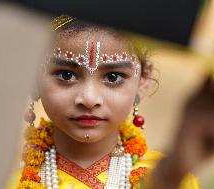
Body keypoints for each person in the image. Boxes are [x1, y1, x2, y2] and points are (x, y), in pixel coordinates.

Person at [12, 15, 200, 189]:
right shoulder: (6, 179)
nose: (89, 99)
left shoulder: (169, 178)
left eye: (112, 77)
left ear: (143, 79)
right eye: (66, 75)